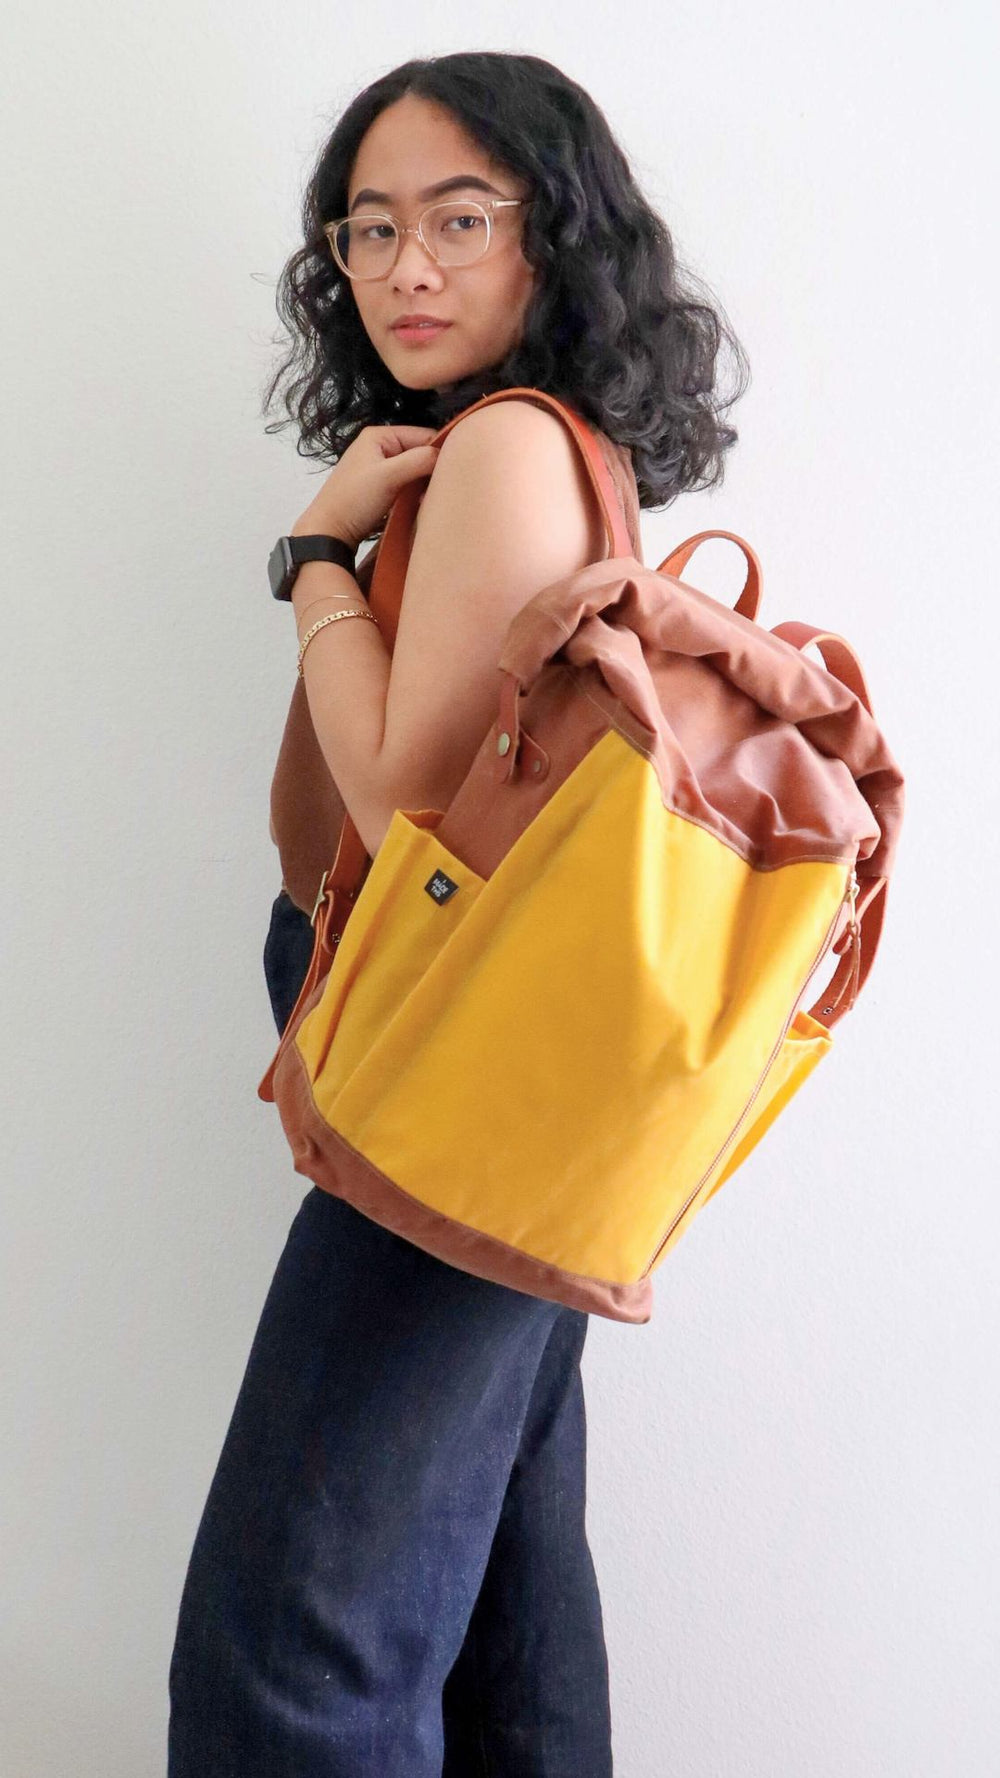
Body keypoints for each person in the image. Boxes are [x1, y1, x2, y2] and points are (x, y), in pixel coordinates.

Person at [167, 50, 748, 1777]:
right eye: (369, 228)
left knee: (296, 1624)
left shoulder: (503, 444)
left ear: (552, 235)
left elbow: (403, 822)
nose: (404, 266)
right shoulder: (523, 447)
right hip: (511, 1072)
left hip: (453, 1066)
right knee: (504, 1588)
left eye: (459, 218)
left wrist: (314, 562)